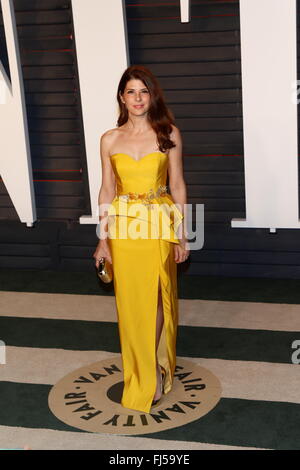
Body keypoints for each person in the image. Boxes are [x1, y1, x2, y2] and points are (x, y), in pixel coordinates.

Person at [93, 65, 189, 414]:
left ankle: (151, 370)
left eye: (143, 92)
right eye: (131, 92)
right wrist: (103, 240)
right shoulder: (109, 139)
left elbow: (177, 185)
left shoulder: (168, 134)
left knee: (156, 297)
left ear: (152, 97)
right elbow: (106, 190)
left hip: (158, 224)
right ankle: (139, 369)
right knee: (130, 305)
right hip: (123, 227)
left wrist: (182, 234)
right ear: (122, 97)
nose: (137, 98)